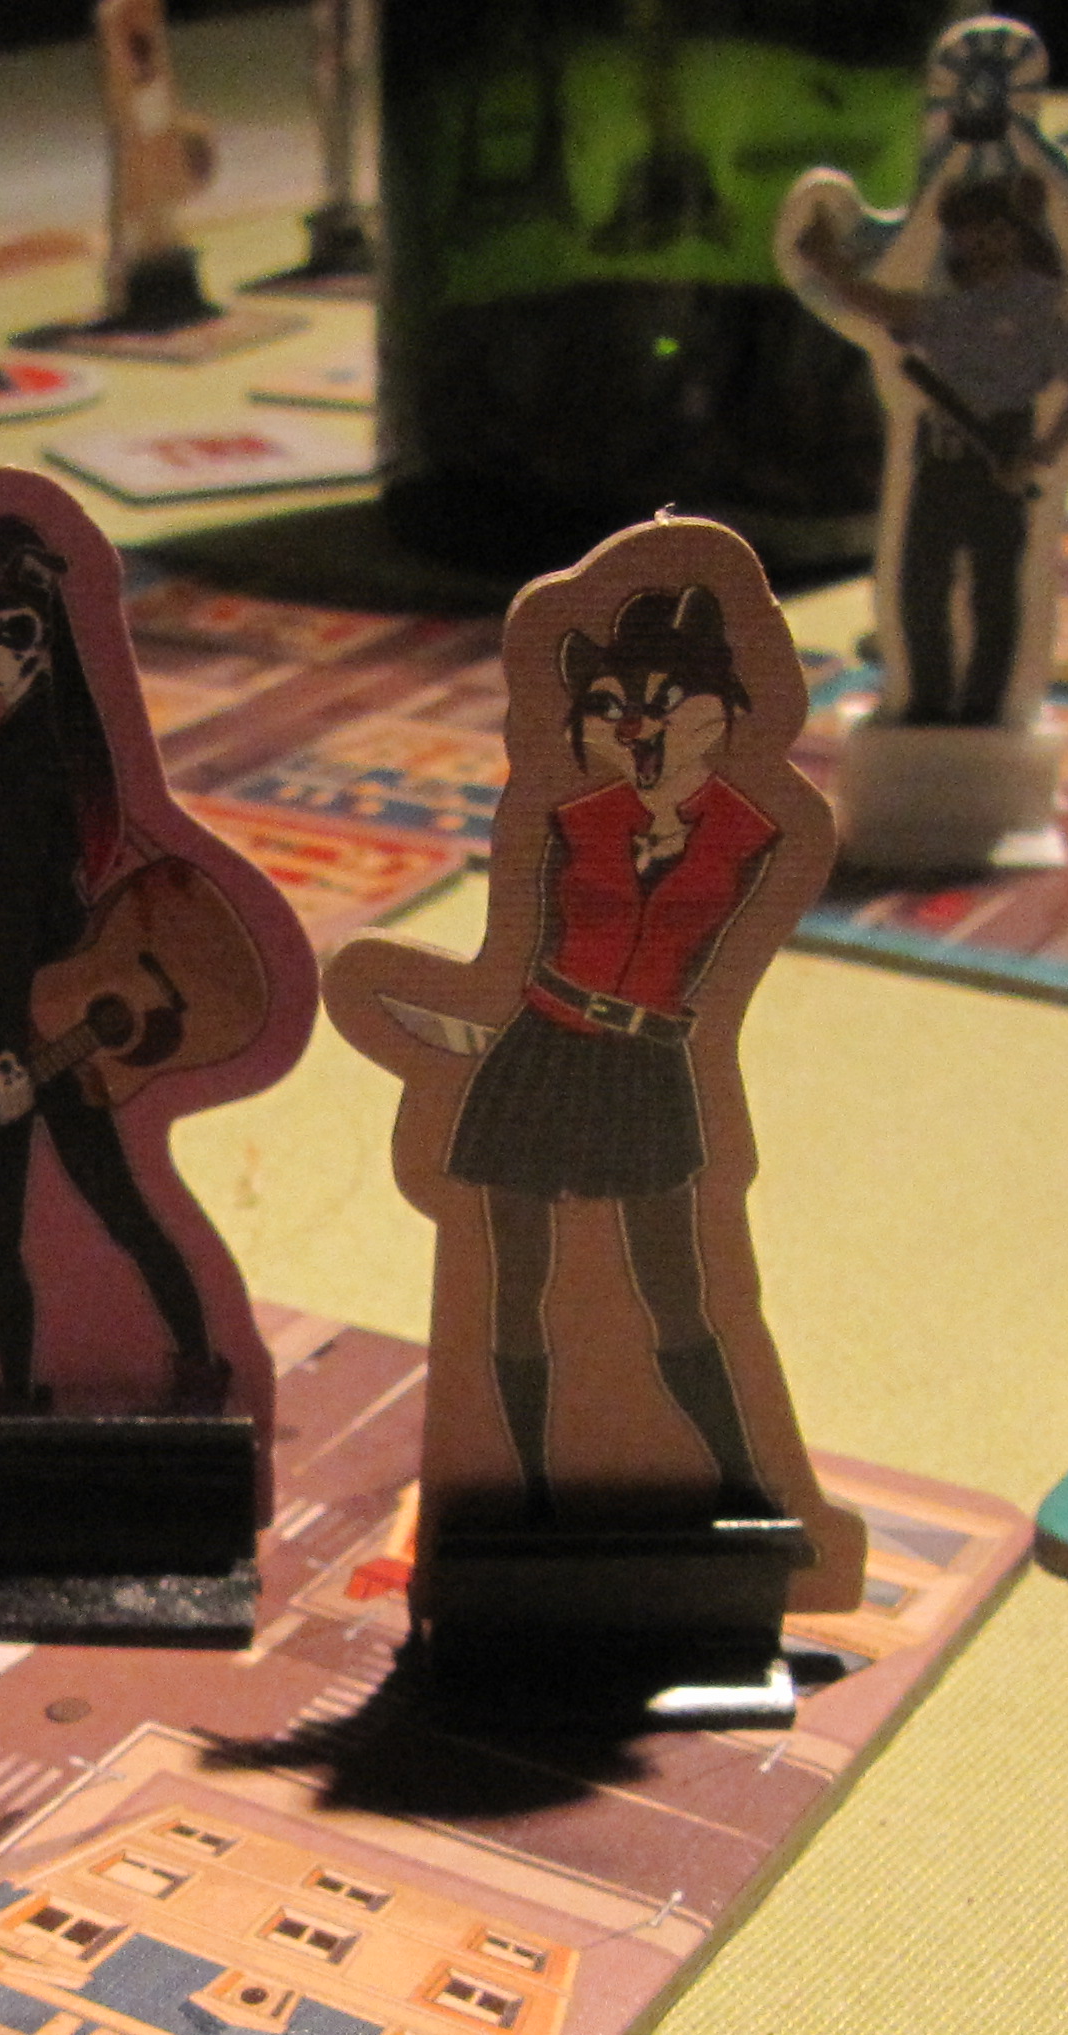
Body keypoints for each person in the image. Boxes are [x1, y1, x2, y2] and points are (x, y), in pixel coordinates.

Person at [449, 583, 785, 1519]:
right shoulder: (571, 823)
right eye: (610, 707)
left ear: (718, 706)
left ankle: (744, 1489)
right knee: (517, 1282)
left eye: (665, 703)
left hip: (648, 1066)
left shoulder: (753, 835)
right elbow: (508, 948)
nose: (637, 725)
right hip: (543, 1052)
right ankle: (527, 1492)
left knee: (677, 1288)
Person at [0, 514, 222, 1410]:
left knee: (37, 1222)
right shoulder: (33, 748)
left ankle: (51, 1392)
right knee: (83, 1207)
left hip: (31, 1010)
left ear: (37, 641)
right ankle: (178, 1369)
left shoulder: (33, 761)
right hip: (39, 1004)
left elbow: (20, 914)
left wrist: (2, 1045)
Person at [788, 172, 1068, 729]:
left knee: (993, 589)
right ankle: (929, 699)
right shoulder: (953, 303)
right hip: (938, 457)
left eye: (996, 231)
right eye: (970, 233)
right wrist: (829, 263)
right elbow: (886, 309)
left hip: (1001, 455)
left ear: (1016, 235)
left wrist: (1041, 452)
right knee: (920, 584)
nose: (982, 245)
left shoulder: (1039, 304)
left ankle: (986, 707)